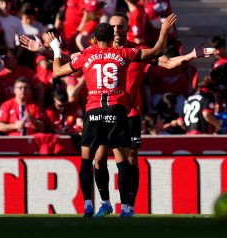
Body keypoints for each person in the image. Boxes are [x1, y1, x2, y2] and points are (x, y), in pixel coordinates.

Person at [50, 14, 177, 218]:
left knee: (86, 160)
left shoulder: (87, 54)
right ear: (112, 37)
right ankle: (126, 208)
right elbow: (157, 52)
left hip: (93, 111)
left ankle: (88, 205)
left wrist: (55, 49)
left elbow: (57, 71)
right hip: (116, 109)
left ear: (94, 38)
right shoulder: (123, 53)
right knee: (122, 161)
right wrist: (163, 31)